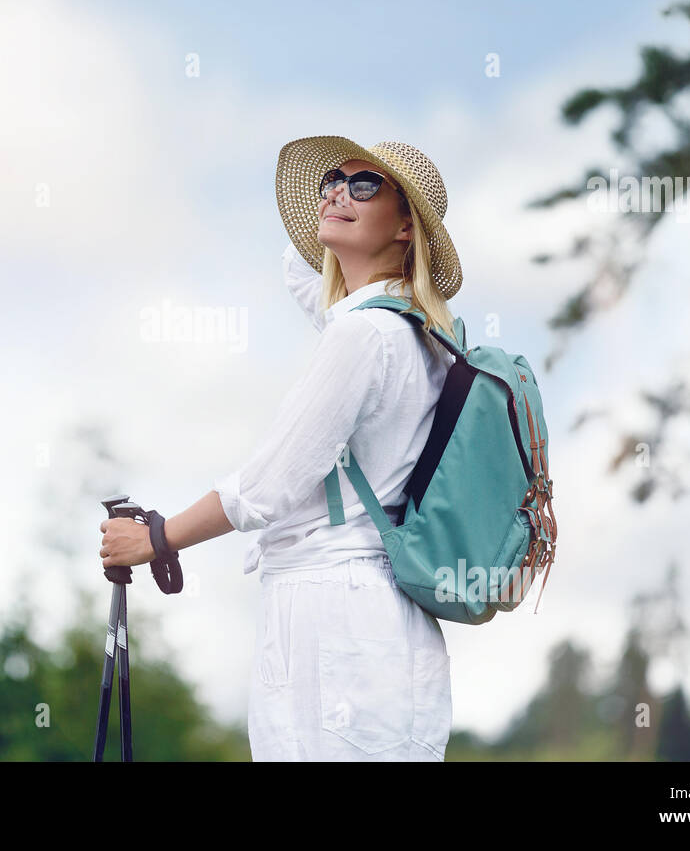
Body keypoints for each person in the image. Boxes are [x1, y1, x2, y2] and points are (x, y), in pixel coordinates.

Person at [99, 137, 464, 761]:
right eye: (330, 180)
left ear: (407, 227)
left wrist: (157, 538)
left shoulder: (360, 337)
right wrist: (337, 221)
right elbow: (304, 277)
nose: (338, 193)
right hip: (383, 626)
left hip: (333, 623)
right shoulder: (418, 332)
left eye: (365, 186)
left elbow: (266, 489)